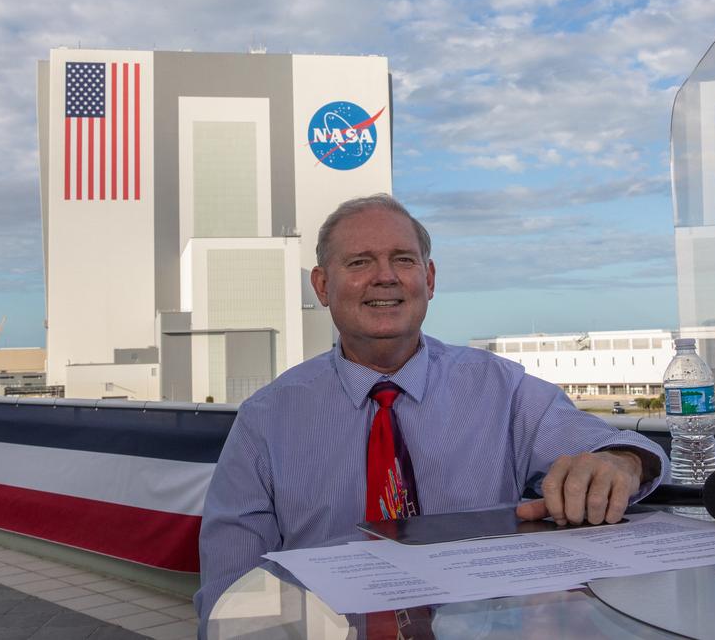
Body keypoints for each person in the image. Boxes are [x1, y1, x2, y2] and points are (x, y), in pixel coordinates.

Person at [195, 194, 666, 623]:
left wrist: (618, 463)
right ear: (321, 286)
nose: (385, 276)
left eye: (403, 259)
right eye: (360, 261)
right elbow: (231, 589)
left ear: (430, 278)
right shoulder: (265, 419)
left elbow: (613, 447)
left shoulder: (502, 389)